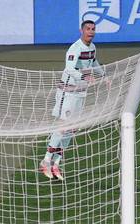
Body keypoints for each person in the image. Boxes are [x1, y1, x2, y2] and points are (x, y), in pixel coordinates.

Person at [40, 20, 104, 180]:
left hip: (81, 92)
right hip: (67, 92)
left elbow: (94, 61)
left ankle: (56, 164)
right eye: (88, 29)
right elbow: (68, 68)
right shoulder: (75, 48)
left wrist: (103, 74)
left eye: (93, 29)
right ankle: (45, 161)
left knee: (72, 128)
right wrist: (85, 76)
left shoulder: (92, 47)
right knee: (63, 126)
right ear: (81, 31)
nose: (91, 31)